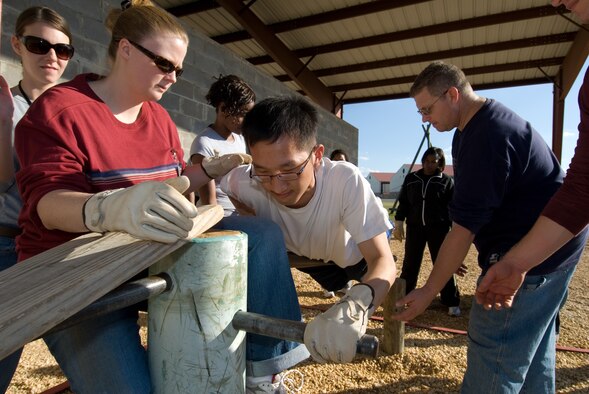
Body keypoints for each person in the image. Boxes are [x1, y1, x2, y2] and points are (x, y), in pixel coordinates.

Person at [13, 1, 308, 392]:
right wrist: (107, 208)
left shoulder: (159, 118)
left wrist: (201, 173)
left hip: (144, 252)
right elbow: (48, 206)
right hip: (75, 271)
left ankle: (265, 371)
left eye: (179, 69)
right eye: (164, 64)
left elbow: (168, 188)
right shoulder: (59, 111)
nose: (173, 78)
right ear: (126, 49)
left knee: (262, 236)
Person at [393, 61, 589, 393]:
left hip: (531, 254)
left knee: (495, 349)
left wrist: (428, 291)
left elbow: (463, 229)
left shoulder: (486, 135)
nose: (425, 118)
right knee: (532, 347)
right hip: (557, 248)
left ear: (452, 94)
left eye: (427, 109)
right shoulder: (473, 127)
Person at [221, 96, 397, 364]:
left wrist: (356, 307)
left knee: (372, 282)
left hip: (353, 255)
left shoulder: (344, 180)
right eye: (264, 172)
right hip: (310, 255)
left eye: (290, 170)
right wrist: (249, 213)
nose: (277, 186)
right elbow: (225, 184)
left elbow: (382, 261)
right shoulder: (245, 181)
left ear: (316, 156)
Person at [475, 0, 589, 313]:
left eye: (427, 109)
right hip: (542, 249)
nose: (557, 3)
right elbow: (582, 188)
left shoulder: (485, 132)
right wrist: (516, 263)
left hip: (539, 251)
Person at [0, 6, 74, 392]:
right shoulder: (6, 108)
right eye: (38, 45)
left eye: (63, 51)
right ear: (17, 44)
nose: (51, 57)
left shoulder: (76, 111)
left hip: (63, 247)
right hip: (9, 243)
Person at [393, 146, 460, 316]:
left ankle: (450, 300)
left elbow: (452, 208)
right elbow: (404, 202)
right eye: (427, 161)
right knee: (410, 264)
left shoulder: (445, 181)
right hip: (415, 228)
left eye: (434, 162)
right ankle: (405, 296)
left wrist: (455, 233)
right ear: (422, 161)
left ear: (440, 163)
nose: (429, 165)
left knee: (443, 264)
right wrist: (399, 221)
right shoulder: (412, 179)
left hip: (439, 229)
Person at [190, 74, 255, 216]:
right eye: (243, 114)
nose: (246, 121)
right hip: (220, 216)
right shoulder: (204, 143)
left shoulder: (240, 139)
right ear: (223, 108)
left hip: (240, 212)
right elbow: (209, 202)